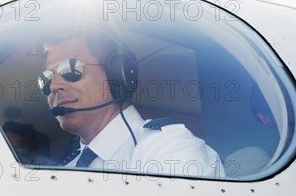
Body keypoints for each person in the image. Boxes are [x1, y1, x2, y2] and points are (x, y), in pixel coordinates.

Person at [38, 28, 224, 179]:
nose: (54, 86)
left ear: (117, 75)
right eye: (46, 78)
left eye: (70, 68)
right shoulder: (65, 169)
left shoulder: (168, 147)